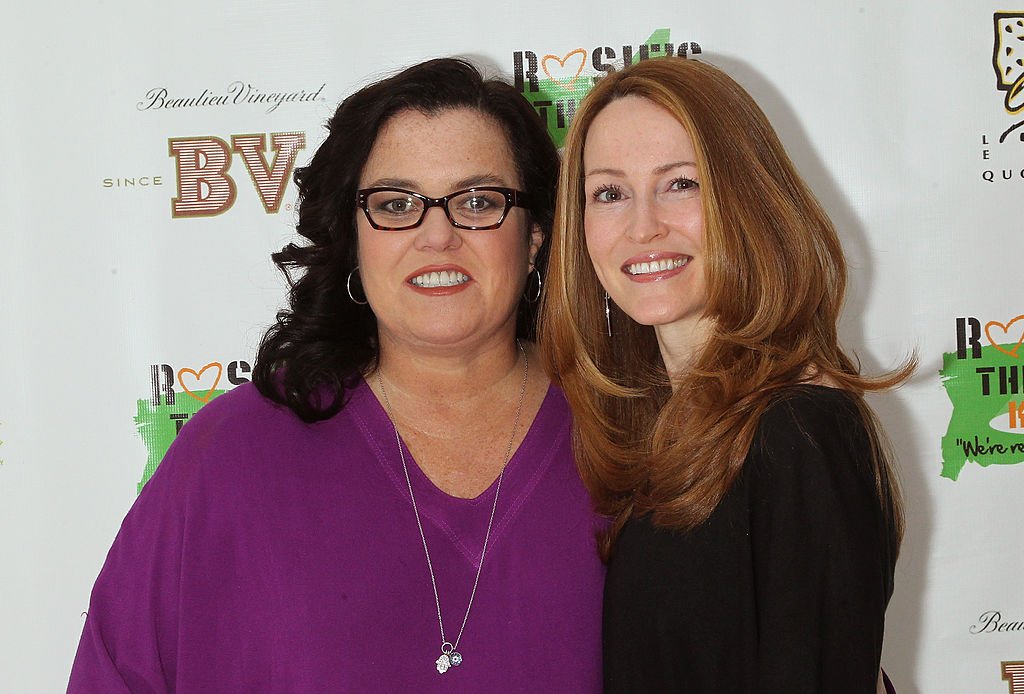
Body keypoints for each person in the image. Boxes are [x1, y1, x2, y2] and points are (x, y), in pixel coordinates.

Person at [69, 58, 604, 692]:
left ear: (536, 234)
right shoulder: (231, 456)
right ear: (352, 235)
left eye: (478, 201)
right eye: (395, 204)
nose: (437, 235)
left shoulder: (627, 435)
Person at [539, 57, 911, 693]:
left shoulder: (800, 430)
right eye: (609, 193)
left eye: (680, 184)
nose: (642, 225)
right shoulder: (651, 432)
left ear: (748, 198)